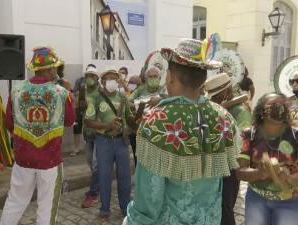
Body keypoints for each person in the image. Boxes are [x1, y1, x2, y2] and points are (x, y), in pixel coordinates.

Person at [123, 38, 240, 225]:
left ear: (169, 76)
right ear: (203, 80)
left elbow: (148, 198)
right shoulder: (223, 118)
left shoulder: (157, 121)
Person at [0, 47, 75, 225]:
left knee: (15, 201)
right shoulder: (61, 93)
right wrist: (69, 93)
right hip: (50, 160)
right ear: (49, 69)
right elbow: (70, 121)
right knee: (46, 206)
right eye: (55, 68)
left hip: (23, 159)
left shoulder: (16, 91)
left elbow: (8, 124)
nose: (56, 71)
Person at [236, 93, 298, 225]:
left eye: (282, 106)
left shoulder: (295, 135)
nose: (279, 109)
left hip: (289, 201)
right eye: (273, 106)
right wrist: (259, 173)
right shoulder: (248, 134)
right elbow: (240, 171)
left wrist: (290, 177)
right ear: (261, 111)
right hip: (256, 198)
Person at [85, 68, 133, 221]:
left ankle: (126, 208)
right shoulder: (96, 98)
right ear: (103, 81)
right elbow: (88, 121)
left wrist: (136, 119)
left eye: (114, 78)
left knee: (124, 177)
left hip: (121, 142)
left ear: (118, 81)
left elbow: (129, 117)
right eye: (108, 78)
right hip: (103, 142)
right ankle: (104, 210)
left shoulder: (123, 98)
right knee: (104, 176)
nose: (112, 81)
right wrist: (107, 126)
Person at [205, 73, 252, 225]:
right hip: (216, 168)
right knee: (218, 208)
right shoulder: (208, 109)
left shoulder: (239, 110)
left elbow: (243, 137)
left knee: (225, 208)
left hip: (229, 166)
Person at [128, 67, 166, 166]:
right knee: (141, 160)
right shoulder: (141, 89)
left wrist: (160, 100)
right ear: (146, 78)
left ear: (159, 77)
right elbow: (128, 103)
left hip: (160, 130)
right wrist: (143, 103)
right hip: (142, 129)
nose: (153, 78)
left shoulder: (164, 89)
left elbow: (171, 99)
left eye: (155, 76)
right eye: (150, 76)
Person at [79, 66, 101, 208]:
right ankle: (99, 182)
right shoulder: (83, 91)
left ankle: (93, 193)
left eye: (92, 76)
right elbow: (80, 110)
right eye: (87, 76)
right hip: (87, 133)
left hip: (99, 133)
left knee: (95, 163)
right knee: (89, 162)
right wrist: (81, 106)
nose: (89, 78)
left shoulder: (102, 92)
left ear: (97, 79)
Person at [71, 64, 95, 156]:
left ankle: (89, 147)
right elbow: (74, 92)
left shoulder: (96, 82)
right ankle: (76, 148)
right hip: (78, 107)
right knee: (76, 127)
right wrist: (82, 90)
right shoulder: (79, 80)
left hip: (89, 108)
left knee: (88, 128)